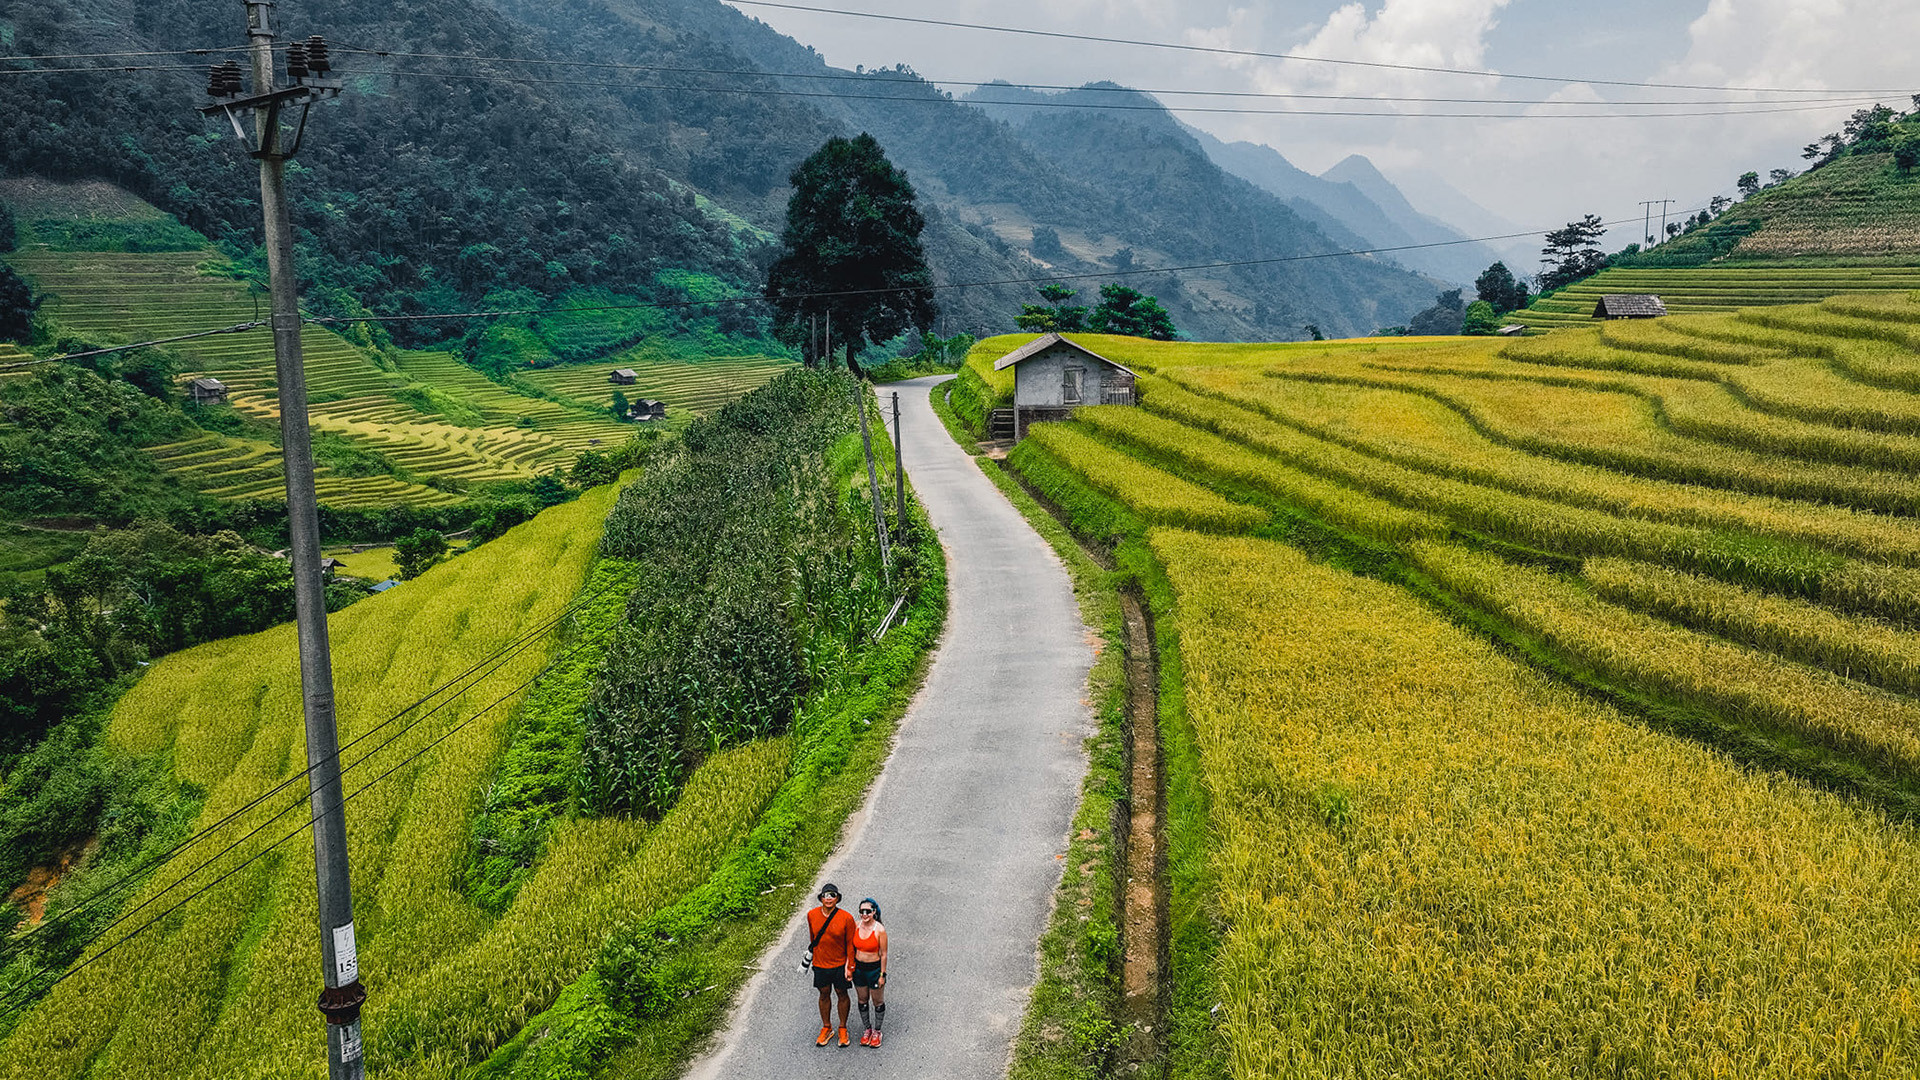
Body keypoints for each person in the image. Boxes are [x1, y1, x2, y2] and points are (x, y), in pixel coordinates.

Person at [803, 882, 856, 1047]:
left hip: (840, 964)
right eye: (825, 895)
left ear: (837, 898)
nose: (829, 898)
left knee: (842, 993)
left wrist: (850, 966)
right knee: (824, 993)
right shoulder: (811, 915)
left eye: (832, 895)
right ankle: (827, 1027)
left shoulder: (846, 918)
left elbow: (850, 944)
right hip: (821, 964)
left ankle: (842, 1028)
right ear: (821, 898)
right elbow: (813, 939)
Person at [850, 897, 889, 1047]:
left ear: (874, 912)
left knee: (877, 1001)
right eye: (862, 911)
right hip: (859, 970)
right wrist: (850, 967)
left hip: (874, 969)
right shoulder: (856, 926)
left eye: (868, 911)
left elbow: (884, 954)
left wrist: (882, 974)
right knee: (862, 1000)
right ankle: (867, 1029)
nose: (864, 914)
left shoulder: (879, 930)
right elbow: (851, 948)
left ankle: (877, 1031)